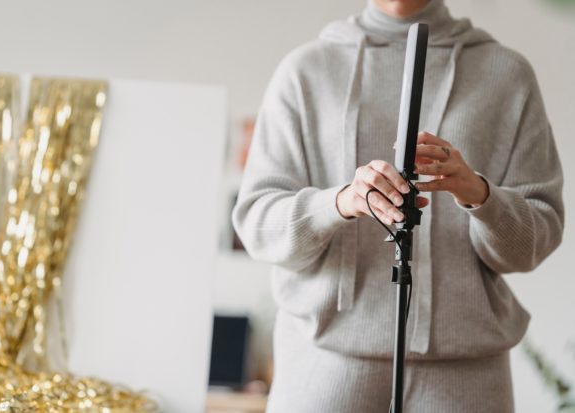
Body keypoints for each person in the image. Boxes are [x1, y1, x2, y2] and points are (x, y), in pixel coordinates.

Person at [232, 0, 564, 411]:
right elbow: (257, 226)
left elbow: (536, 238)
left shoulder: (506, 74)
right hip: (325, 369)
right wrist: (339, 203)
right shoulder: (306, 70)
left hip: (467, 375)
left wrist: (480, 195)